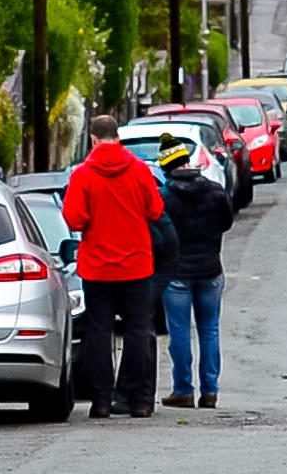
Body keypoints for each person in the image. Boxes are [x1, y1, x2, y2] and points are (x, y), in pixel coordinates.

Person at [57, 108, 166, 419]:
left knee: (99, 333)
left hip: (97, 267)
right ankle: (141, 400)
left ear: (93, 140)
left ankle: (102, 401)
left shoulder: (82, 175)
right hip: (136, 264)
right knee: (139, 332)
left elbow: (74, 218)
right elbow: (155, 210)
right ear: (118, 137)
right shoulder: (140, 171)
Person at [154, 134, 236, 409]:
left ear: (167, 168)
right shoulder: (214, 191)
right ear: (187, 161)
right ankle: (210, 391)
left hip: (177, 272)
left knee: (179, 331)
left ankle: (183, 389)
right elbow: (226, 223)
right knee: (209, 330)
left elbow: (157, 232)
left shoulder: (163, 197)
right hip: (211, 269)